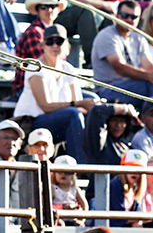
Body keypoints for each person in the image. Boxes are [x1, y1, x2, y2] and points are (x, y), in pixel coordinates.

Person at [91, 0, 153, 131]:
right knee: (149, 83)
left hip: (134, 89)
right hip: (109, 89)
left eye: (133, 17)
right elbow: (119, 67)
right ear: (117, 15)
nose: (129, 20)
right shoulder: (107, 36)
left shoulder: (138, 37)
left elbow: (148, 64)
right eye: (125, 15)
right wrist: (151, 77)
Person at [14, 24, 96, 163]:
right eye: (50, 42)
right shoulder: (35, 66)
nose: (55, 46)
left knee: (95, 113)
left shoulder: (69, 69)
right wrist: (78, 104)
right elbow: (45, 106)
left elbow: (78, 106)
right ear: (43, 45)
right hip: (32, 121)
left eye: (59, 41)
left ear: (66, 45)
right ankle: (80, 167)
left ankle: (94, 164)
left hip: (60, 121)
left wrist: (93, 107)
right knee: (73, 115)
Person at [13, 0, 64, 98]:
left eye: (53, 6)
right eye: (44, 7)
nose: (49, 10)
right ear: (38, 10)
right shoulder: (33, 32)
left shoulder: (52, 30)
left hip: (50, 85)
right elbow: (46, 63)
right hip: (28, 87)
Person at [108, 148, 147, 227]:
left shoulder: (135, 189)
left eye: (139, 169)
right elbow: (119, 218)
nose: (135, 172)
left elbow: (139, 214)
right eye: (131, 167)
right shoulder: (115, 185)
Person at [50, 154, 87, 226]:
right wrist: (62, 207)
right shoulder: (53, 188)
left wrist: (81, 220)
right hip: (58, 218)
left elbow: (84, 205)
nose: (63, 174)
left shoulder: (75, 189)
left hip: (73, 218)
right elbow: (47, 205)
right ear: (54, 173)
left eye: (68, 172)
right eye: (60, 171)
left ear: (74, 174)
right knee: (60, 224)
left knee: (80, 226)